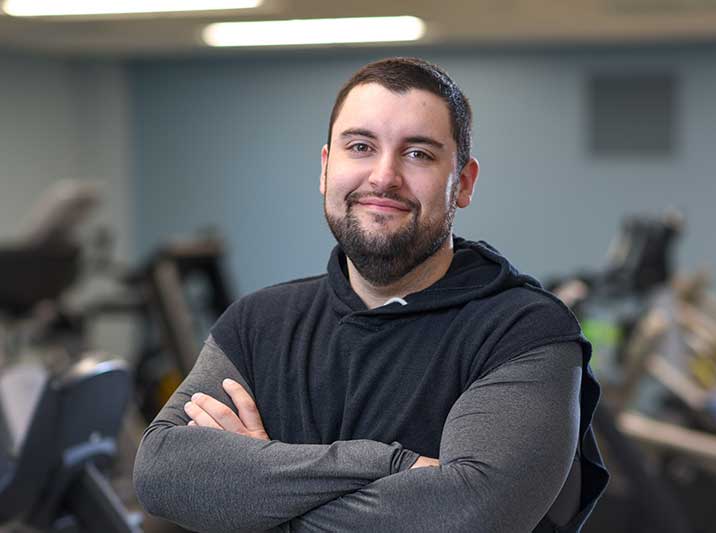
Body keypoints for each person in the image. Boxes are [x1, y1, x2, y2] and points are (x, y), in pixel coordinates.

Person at [133, 57, 608, 533]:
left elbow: (470, 515)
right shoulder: (258, 324)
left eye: (418, 153)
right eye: (360, 146)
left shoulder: (524, 332)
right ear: (325, 168)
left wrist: (255, 497)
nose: (383, 177)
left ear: (462, 183)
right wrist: (389, 464)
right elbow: (160, 472)